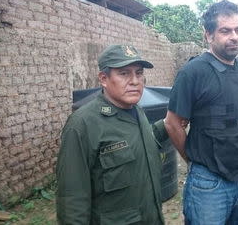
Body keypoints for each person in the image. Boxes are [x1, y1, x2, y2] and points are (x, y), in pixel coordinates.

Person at [164, 0, 238, 224]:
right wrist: (194, 161)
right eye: (225, 31)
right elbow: (172, 123)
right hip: (209, 184)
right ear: (208, 34)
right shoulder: (193, 72)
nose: (234, 36)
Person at [56, 45, 167, 224]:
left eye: (139, 73)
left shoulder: (137, 111)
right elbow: (72, 199)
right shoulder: (83, 124)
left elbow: (139, 143)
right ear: (104, 79)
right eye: (124, 74)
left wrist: (167, 125)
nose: (135, 81)